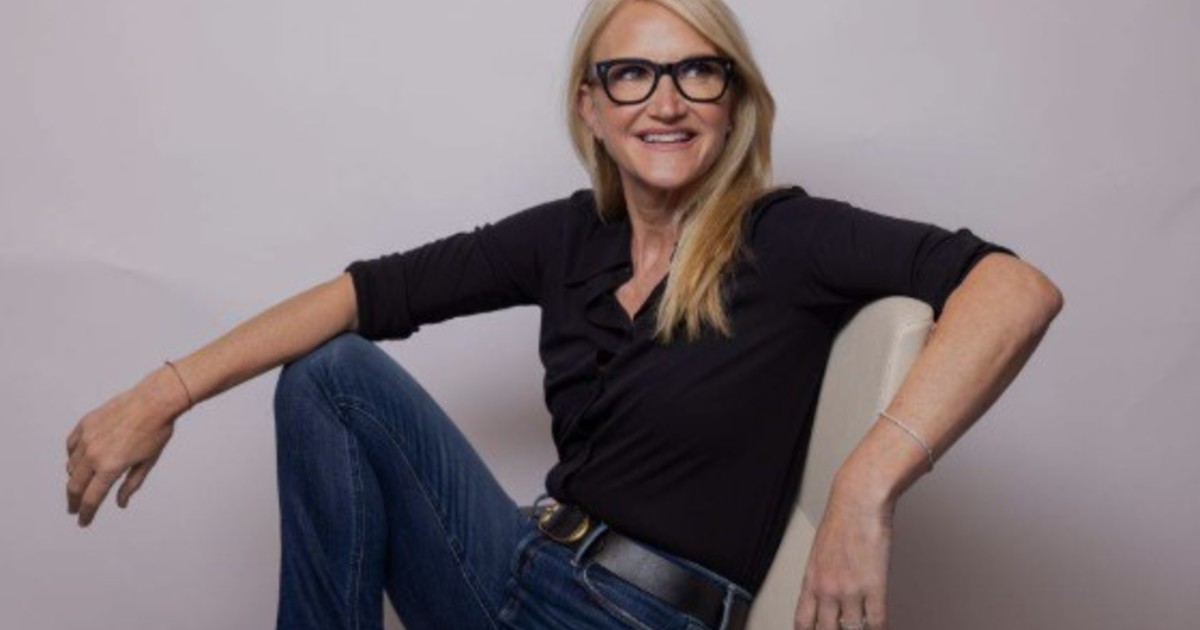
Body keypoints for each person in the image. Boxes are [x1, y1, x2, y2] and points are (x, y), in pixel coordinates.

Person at [63, 1, 1063, 629]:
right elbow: (363, 294)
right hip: (519, 567)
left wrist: (865, 484)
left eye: (697, 71)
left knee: (335, 378)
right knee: (332, 375)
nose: (665, 102)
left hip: (631, 614)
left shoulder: (788, 235)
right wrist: (163, 392)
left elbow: (1016, 288)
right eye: (632, 74)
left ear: (732, 100)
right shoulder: (569, 236)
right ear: (590, 105)